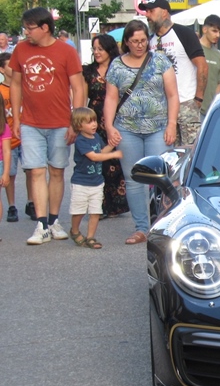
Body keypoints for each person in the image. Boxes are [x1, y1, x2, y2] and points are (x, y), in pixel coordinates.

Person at [10, 6, 85, 246]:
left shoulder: (66, 51)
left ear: (45, 27)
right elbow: (16, 84)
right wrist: (17, 118)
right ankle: (41, 224)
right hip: (31, 122)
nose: (26, 32)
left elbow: (78, 87)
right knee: (35, 171)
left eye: (29, 28)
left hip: (60, 122)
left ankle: (54, 221)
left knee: (56, 171)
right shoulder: (21, 49)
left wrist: (75, 122)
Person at [103, 20, 180, 245]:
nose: (140, 45)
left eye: (143, 40)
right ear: (126, 42)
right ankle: (141, 228)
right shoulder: (117, 65)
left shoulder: (160, 61)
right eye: (135, 41)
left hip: (158, 127)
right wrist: (109, 126)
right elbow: (111, 98)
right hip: (127, 129)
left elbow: (172, 95)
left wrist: (172, 124)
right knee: (134, 179)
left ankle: (163, 224)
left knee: (161, 177)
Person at [139, 0, 207, 145]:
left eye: (151, 11)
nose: (147, 15)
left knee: (191, 149)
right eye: (146, 12)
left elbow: (202, 65)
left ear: (164, 12)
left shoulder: (183, 33)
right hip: (162, 107)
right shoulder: (150, 40)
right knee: (170, 152)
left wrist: (198, 99)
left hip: (185, 101)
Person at [82, 34, 129, 218]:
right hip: (93, 120)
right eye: (94, 49)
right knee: (97, 161)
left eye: (100, 49)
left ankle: (116, 205)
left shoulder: (118, 68)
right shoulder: (88, 71)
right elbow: (82, 98)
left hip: (115, 118)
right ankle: (99, 205)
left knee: (115, 162)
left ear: (109, 49)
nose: (96, 52)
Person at [67, 107, 123, 249]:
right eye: (89, 122)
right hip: (81, 183)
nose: (94, 124)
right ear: (79, 125)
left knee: (95, 211)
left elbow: (101, 151)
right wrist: (113, 155)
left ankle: (91, 237)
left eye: (95, 121)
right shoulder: (81, 140)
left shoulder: (96, 137)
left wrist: (112, 145)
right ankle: (74, 231)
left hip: (97, 182)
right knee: (78, 211)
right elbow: (94, 157)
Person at [0, 52, 27, 222]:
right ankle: (12, 205)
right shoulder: (1, 91)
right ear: (2, 69)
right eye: (10, 65)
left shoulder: (24, 87)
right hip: (9, 138)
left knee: (32, 170)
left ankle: (31, 202)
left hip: (27, 135)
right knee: (10, 173)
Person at [198, 14, 220, 119]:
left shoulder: (218, 55)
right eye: (214, 31)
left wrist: (216, 106)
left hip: (211, 110)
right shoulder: (194, 49)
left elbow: (218, 83)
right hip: (194, 109)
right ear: (204, 29)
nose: (218, 35)